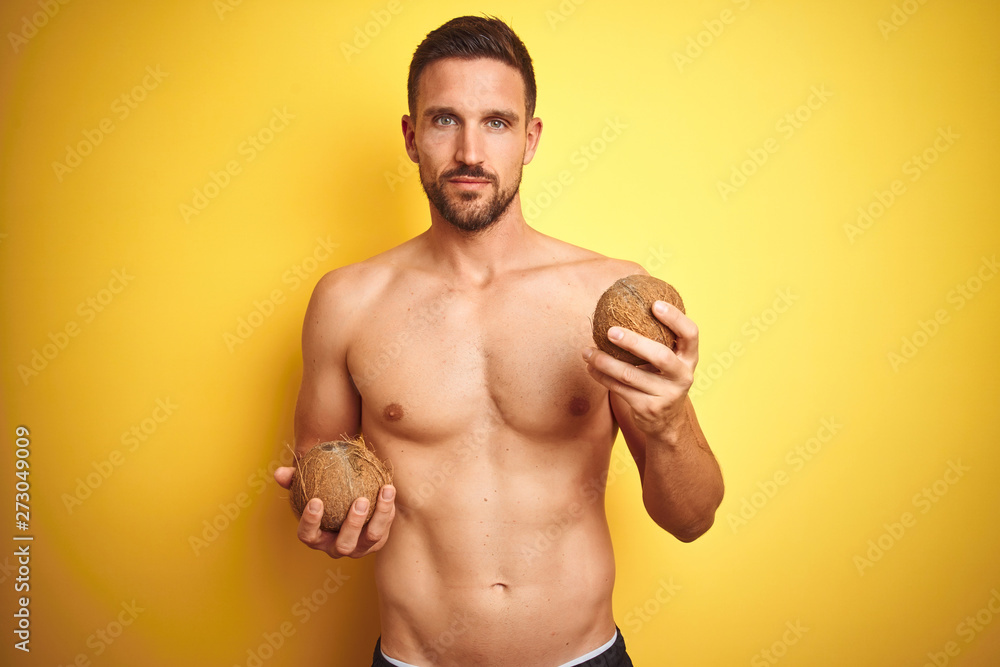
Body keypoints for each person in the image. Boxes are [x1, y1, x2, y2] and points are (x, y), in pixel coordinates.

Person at [273, 15, 724, 667]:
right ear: (411, 136)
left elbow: (693, 518)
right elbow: (324, 468)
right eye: (444, 120)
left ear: (530, 138)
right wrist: (334, 522)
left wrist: (670, 422)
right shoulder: (347, 302)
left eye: (496, 122)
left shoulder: (607, 294)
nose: (470, 153)